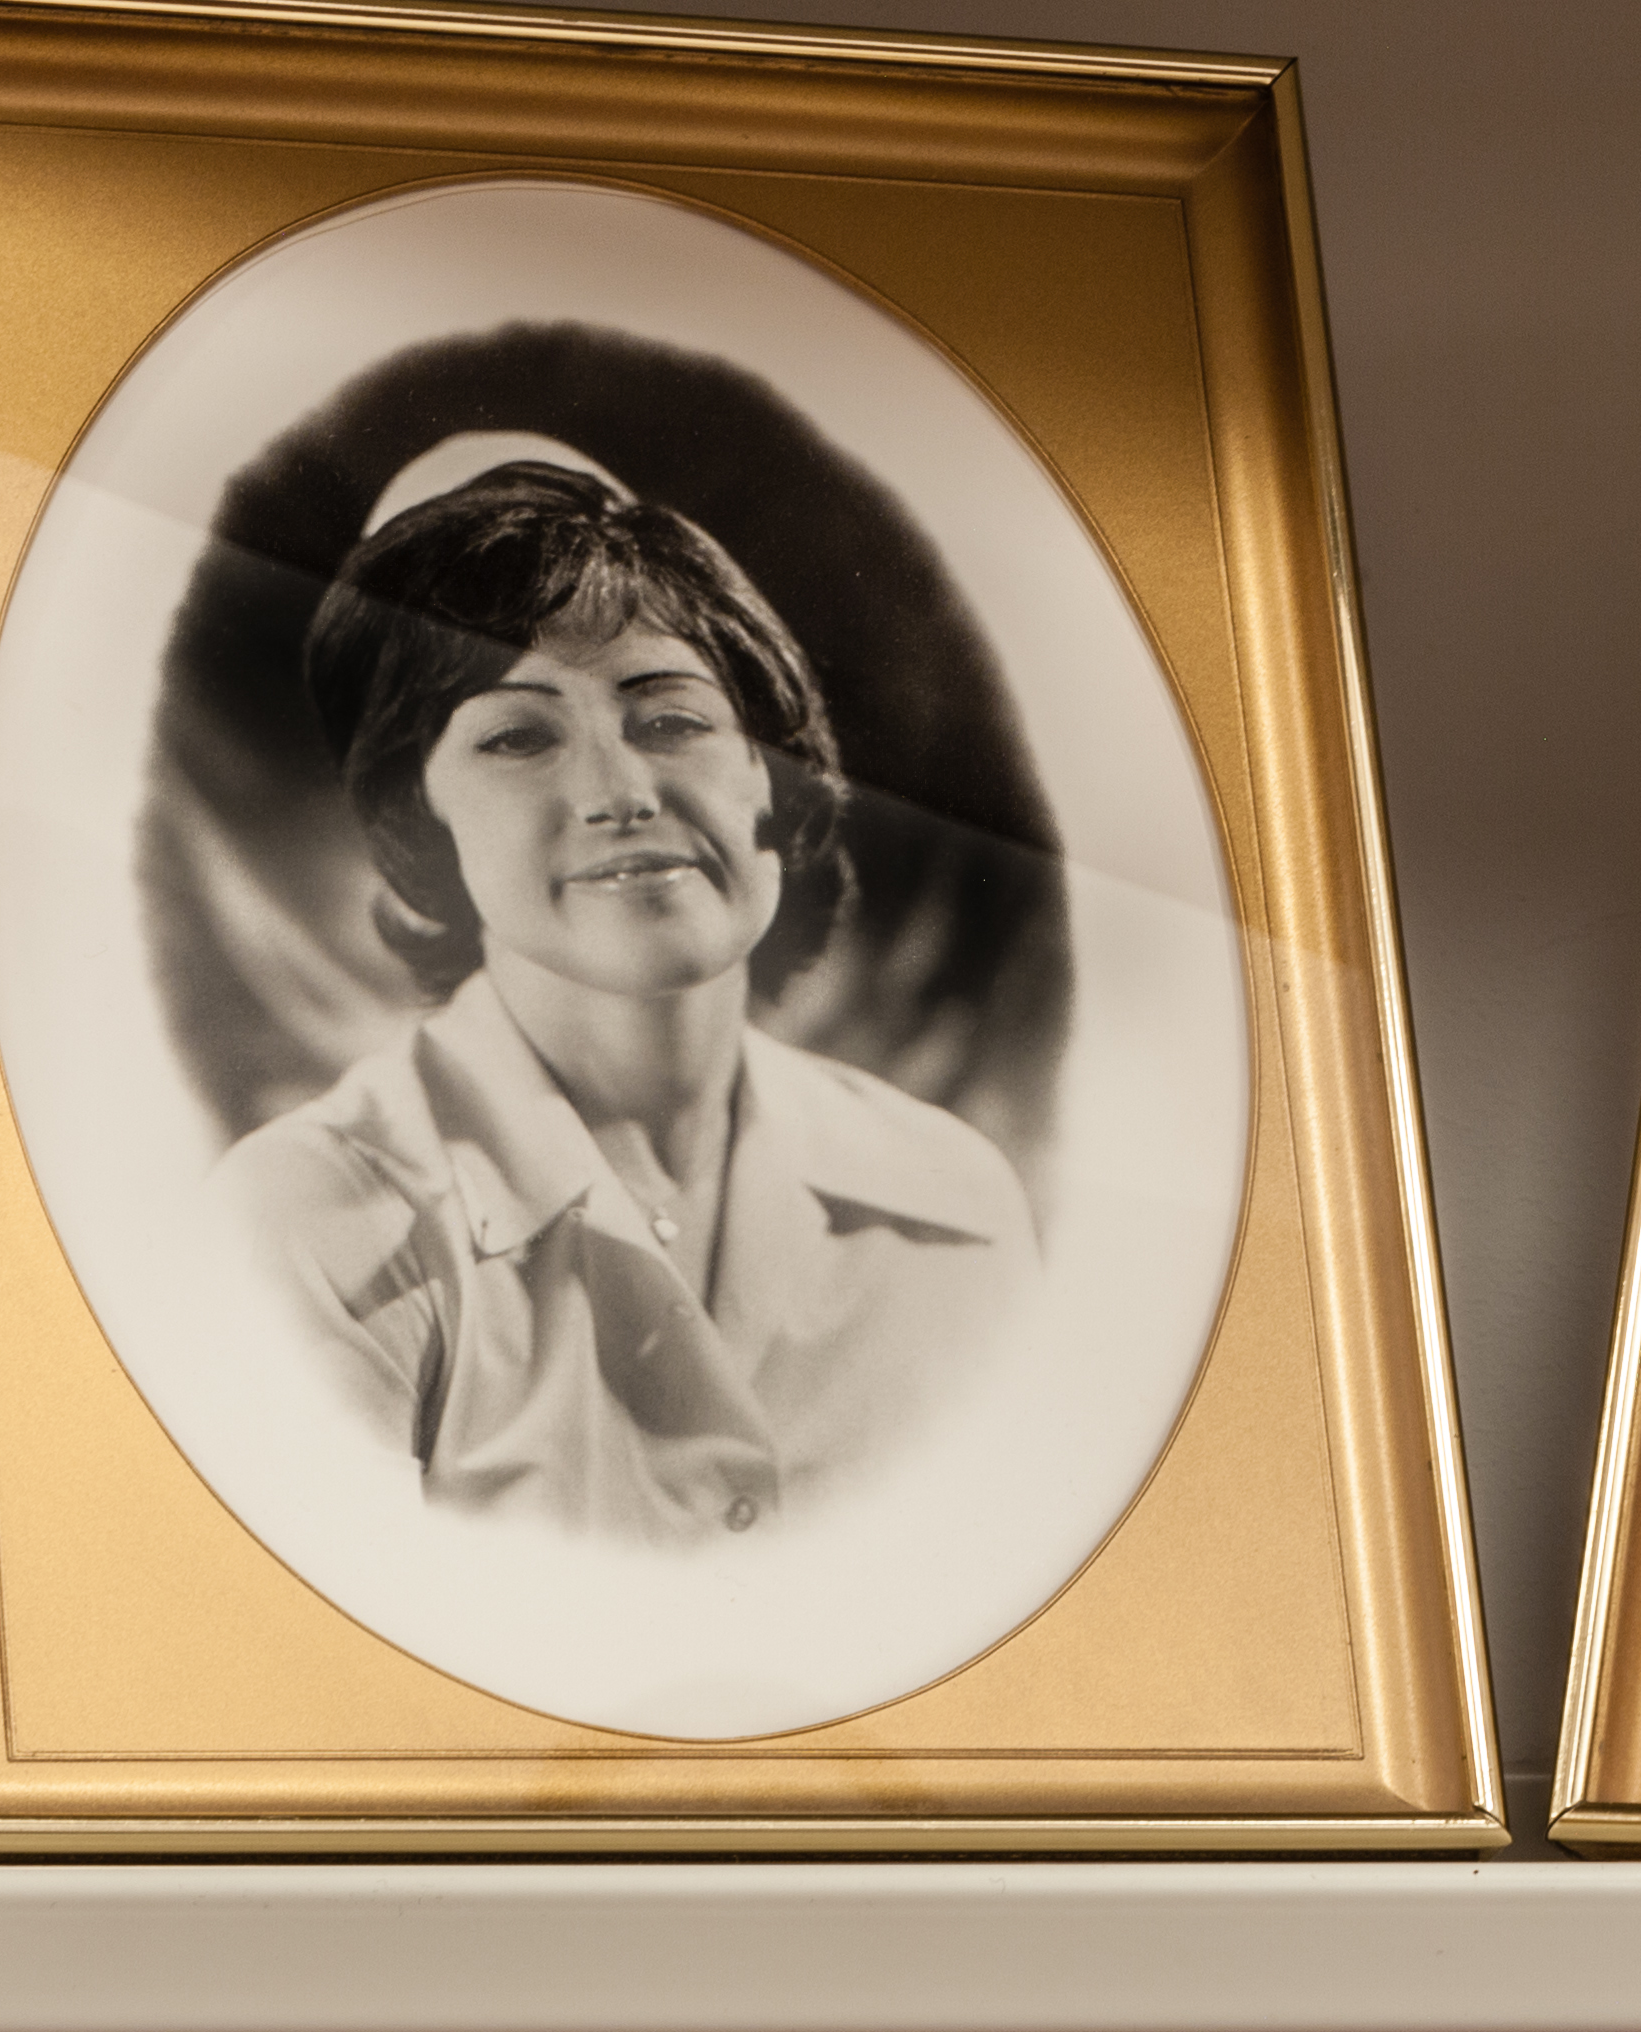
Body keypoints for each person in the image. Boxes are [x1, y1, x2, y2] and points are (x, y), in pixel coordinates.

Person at [216, 437, 1037, 1545]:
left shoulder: (957, 1207)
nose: (620, 791)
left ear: (770, 772)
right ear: (420, 822)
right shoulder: (305, 1226)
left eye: (670, 720)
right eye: (519, 736)